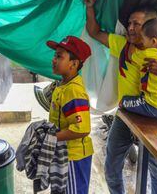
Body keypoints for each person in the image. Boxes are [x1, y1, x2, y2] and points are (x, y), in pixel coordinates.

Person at [84, 0, 157, 194]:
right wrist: (90, 7)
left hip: (155, 119)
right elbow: (93, 32)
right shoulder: (123, 45)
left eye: (137, 24)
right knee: (111, 166)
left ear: (150, 28)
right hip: (127, 116)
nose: (131, 28)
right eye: (129, 23)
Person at [47, 36, 93, 194]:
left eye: (59, 56)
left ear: (74, 64)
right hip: (63, 153)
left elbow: (82, 129)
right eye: (55, 55)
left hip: (74, 157)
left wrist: (51, 138)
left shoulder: (73, 91)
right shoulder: (63, 85)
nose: (54, 60)